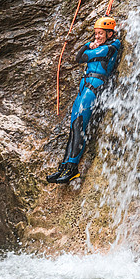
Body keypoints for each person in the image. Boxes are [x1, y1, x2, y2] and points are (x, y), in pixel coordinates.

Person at [47, 16, 121, 185]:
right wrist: (88, 44)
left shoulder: (113, 46)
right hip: (84, 85)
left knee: (80, 123)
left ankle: (72, 168)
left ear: (110, 34)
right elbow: (78, 57)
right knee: (73, 126)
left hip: (95, 86)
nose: (97, 37)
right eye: (96, 34)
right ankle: (64, 166)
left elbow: (85, 57)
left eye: (101, 33)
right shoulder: (99, 45)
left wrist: (91, 49)